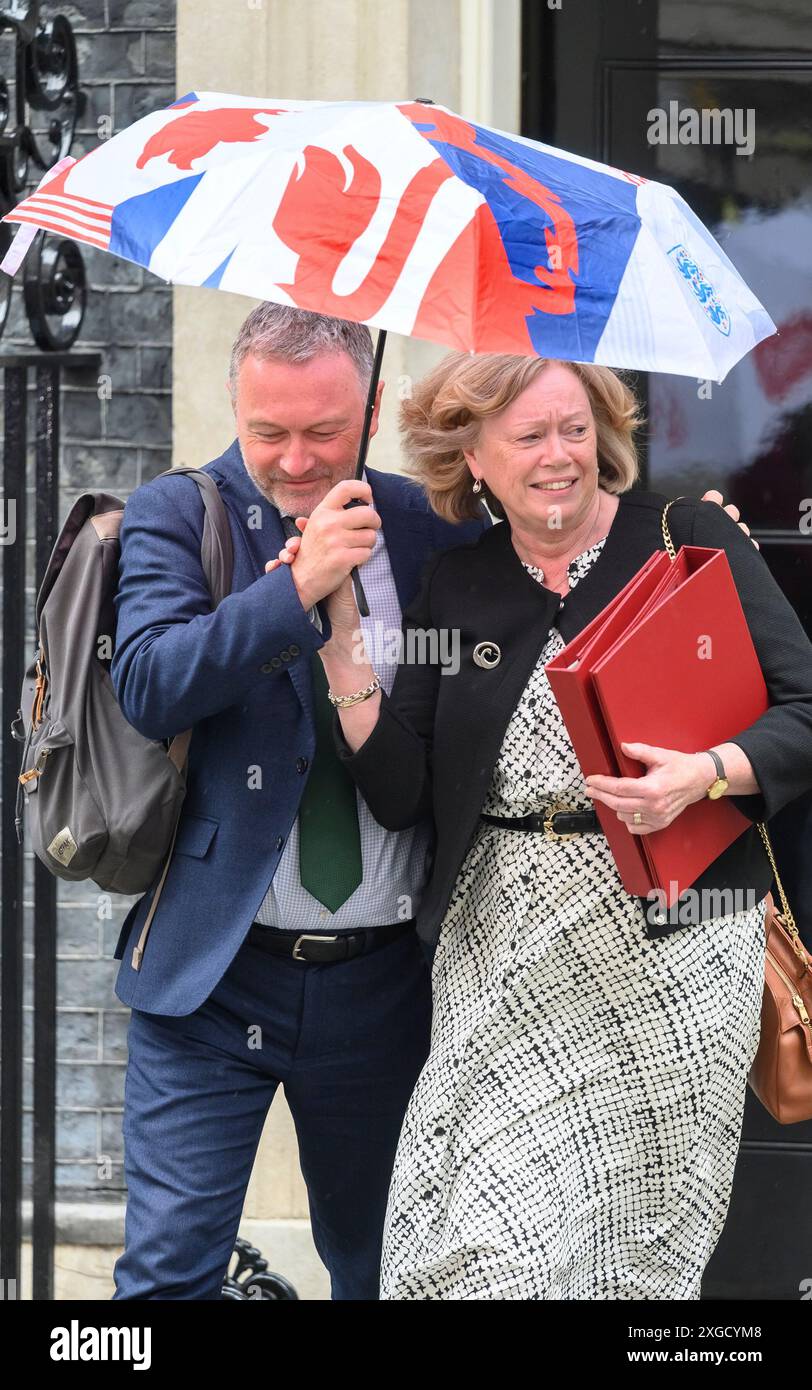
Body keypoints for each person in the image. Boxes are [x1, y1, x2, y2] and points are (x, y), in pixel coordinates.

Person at [275, 350, 812, 1300]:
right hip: (509, 948)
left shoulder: (688, 540)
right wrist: (344, 640)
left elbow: (805, 708)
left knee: (632, 1261)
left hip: (679, 947)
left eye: (576, 429)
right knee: (480, 1248)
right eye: (529, 436)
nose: (560, 455)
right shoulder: (460, 582)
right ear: (473, 457)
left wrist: (708, 773)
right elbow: (403, 791)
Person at [109, 304, 487, 1300]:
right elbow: (150, 682)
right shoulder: (174, 514)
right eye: (265, 432)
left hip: (387, 987)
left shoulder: (433, 528)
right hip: (212, 975)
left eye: (322, 433)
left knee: (386, 1271)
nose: (291, 459)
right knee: (163, 1279)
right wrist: (295, 590)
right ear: (237, 406)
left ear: (365, 414)